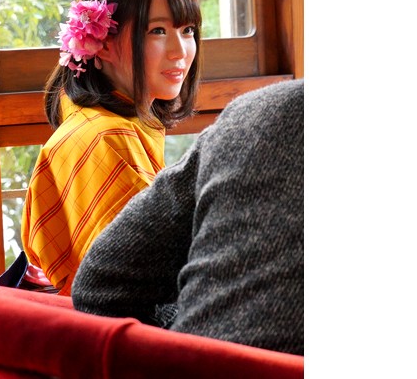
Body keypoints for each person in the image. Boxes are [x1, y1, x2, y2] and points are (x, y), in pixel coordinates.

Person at [71, 79, 304, 356]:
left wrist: (195, 319)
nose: (179, 57)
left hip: (191, 362)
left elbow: (100, 283)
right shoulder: (103, 136)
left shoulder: (254, 111)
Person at [19, 0, 203, 296]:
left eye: (187, 30)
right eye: (157, 31)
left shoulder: (108, 123)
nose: (180, 51)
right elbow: (136, 284)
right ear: (101, 44)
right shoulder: (106, 138)